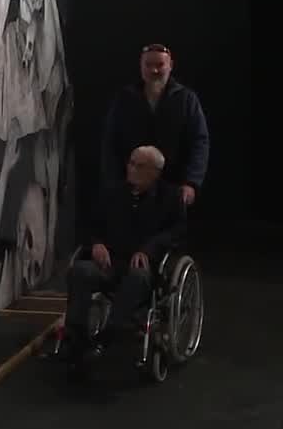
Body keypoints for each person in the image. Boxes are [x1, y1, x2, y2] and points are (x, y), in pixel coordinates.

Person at [64, 145, 187, 368]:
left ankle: (109, 335)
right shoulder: (112, 193)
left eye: (139, 165)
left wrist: (148, 250)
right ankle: (76, 337)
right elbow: (88, 225)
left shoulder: (170, 197)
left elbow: (176, 233)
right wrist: (96, 243)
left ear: (155, 172)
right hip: (110, 261)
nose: (131, 169)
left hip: (145, 266)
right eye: (130, 163)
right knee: (80, 271)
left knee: (138, 277)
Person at [101, 44, 209, 207]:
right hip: (131, 188)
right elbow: (110, 142)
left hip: (173, 187)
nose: (154, 71)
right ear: (141, 66)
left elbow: (199, 142)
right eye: (148, 65)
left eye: (160, 65)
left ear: (170, 65)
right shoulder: (125, 98)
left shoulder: (187, 99)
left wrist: (191, 182)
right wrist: (114, 183)